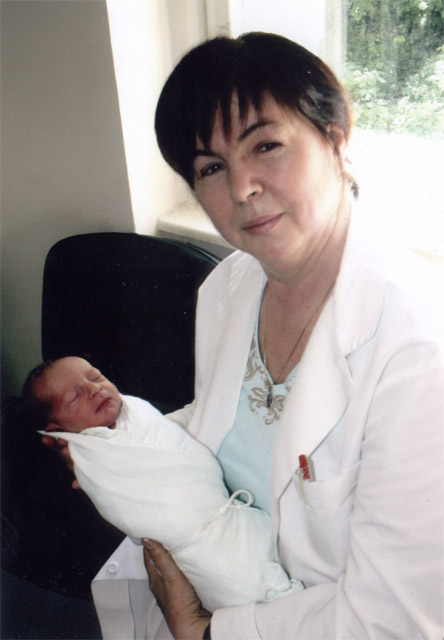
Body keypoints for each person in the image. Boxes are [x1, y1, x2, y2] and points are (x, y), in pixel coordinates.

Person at [44, 32, 444, 640]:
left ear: (335, 137)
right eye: (211, 167)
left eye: (266, 145)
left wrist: (203, 631)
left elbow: (396, 619)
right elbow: (226, 425)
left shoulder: (419, 350)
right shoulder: (229, 286)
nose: (241, 189)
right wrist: (124, 442)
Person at [24, 356, 301, 612]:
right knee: (241, 587)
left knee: (267, 551)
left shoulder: (133, 411)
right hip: (194, 544)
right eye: (75, 397)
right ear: (55, 430)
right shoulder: (87, 457)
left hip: (233, 511)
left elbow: (162, 436)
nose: (94, 389)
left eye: (96, 377)